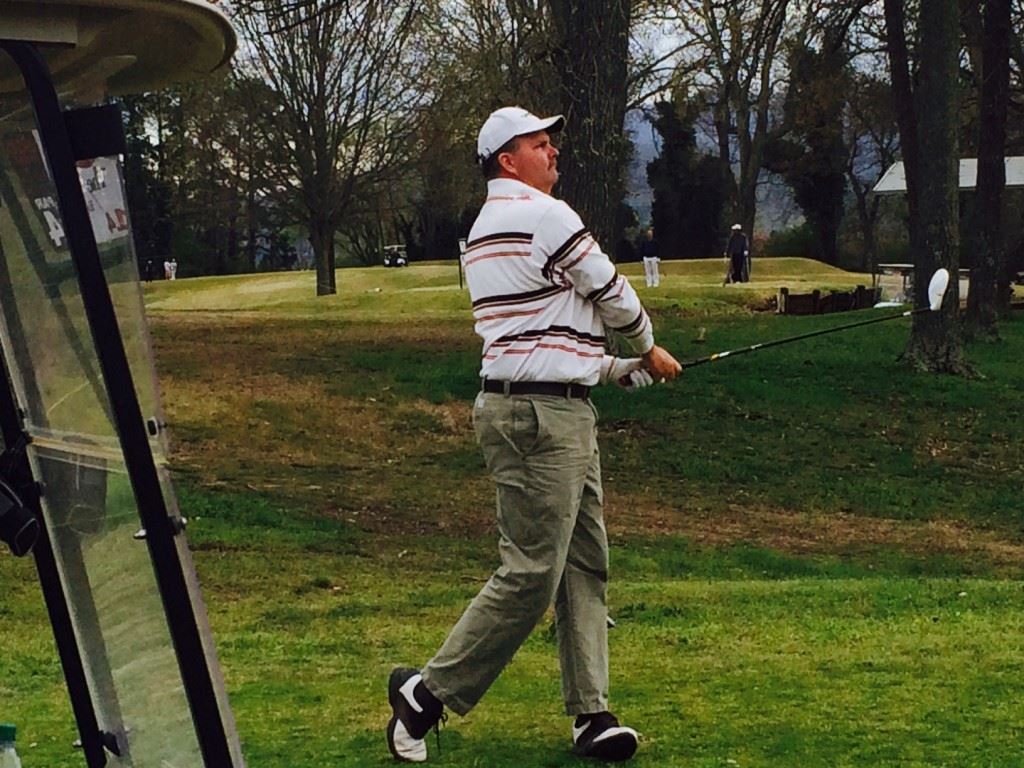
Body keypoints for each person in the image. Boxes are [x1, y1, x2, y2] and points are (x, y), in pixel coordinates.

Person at [385, 106, 682, 764]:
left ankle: (592, 716)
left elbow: (540, 339)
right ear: (505, 159)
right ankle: (427, 695)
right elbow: (614, 297)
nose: (553, 152)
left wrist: (614, 371)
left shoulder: (487, 227)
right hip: (543, 419)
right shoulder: (547, 216)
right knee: (532, 576)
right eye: (539, 143)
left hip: (548, 408)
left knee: (583, 566)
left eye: (552, 141)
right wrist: (649, 347)